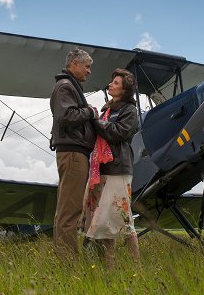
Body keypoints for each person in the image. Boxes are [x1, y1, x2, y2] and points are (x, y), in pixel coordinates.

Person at [81, 68, 140, 268]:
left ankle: (136, 266)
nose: (110, 85)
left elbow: (118, 133)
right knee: (106, 220)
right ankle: (110, 266)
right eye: (112, 82)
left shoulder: (129, 110)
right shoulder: (108, 110)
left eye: (115, 83)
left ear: (124, 89)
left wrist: (95, 121)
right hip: (103, 169)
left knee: (123, 217)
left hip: (118, 169)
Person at [50, 48, 98, 259]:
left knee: (67, 210)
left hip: (73, 153)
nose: (89, 71)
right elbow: (66, 115)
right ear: (75, 64)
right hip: (72, 154)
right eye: (87, 67)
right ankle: (67, 262)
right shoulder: (65, 86)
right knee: (70, 212)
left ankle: (65, 258)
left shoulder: (69, 86)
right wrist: (91, 111)